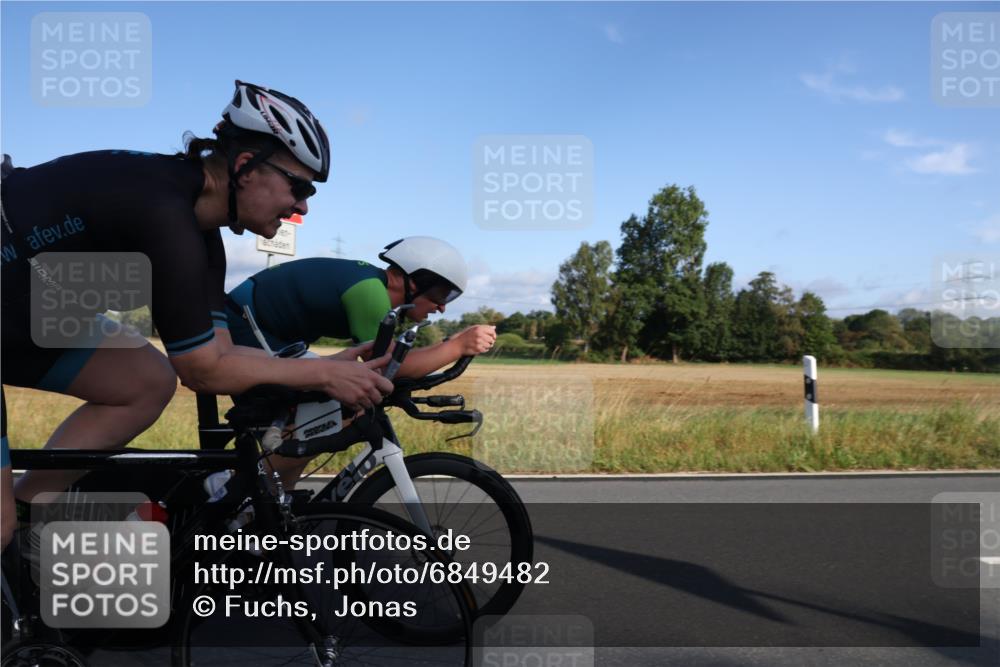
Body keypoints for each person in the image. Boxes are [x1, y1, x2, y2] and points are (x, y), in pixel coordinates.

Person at [0, 80, 393, 513]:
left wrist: (316, 366)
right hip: (16, 314)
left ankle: (25, 508)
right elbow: (203, 373)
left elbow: (218, 354)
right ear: (246, 166)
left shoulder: (202, 234)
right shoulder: (163, 211)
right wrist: (319, 377)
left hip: (27, 316)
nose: (302, 208)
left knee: (145, 382)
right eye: (300, 188)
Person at [226, 236, 497, 485]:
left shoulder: (370, 284)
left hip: (263, 332)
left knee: (310, 422)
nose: (442, 307)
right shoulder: (369, 292)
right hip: (245, 329)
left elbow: (391, 358)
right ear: (407, 281)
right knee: (336, 410)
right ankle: (233, 487)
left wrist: (452, 345)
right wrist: (459, 346)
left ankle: (268, 509)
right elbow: (390, 367)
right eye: (442, 293)